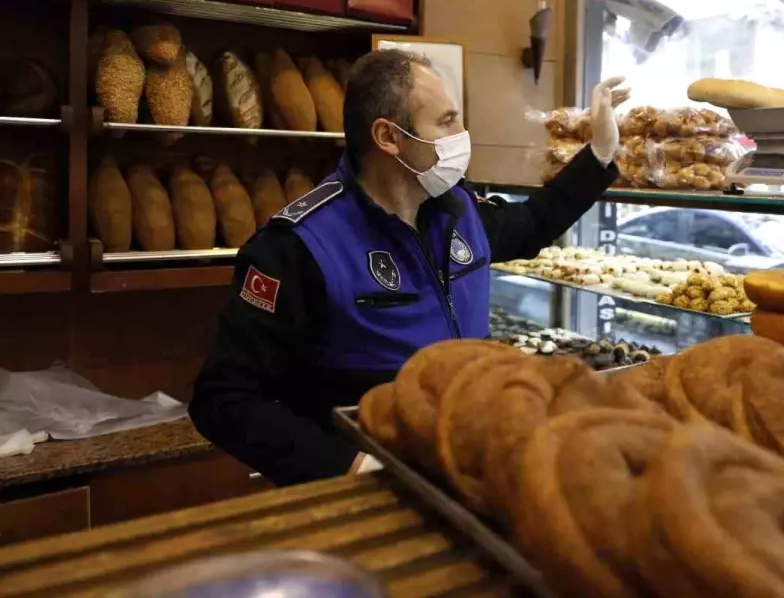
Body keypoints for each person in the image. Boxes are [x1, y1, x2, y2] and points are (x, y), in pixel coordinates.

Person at [190, 51, 629, 486]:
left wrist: (600, 152)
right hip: (367, 489)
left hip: (463, 465)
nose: (462, 134)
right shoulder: (298, 247)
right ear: (388, 136)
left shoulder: (459, 211)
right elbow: (225, 400)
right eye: (446, 121)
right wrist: (352, 466)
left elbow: (535, 223)